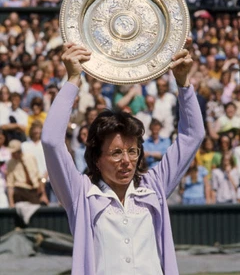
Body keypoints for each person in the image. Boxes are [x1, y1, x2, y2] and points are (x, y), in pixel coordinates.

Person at [41, 40, 205, 275]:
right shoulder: (80, 194)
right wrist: (73, 80)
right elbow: (50, 140)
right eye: (116, 152)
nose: (127, 160)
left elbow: (193, 135)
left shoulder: (153, 187)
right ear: (96, 158)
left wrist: (183, 83)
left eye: (132, 151)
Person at [6, 139, 48, 207]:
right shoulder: (10, 163)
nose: (12, 155)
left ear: (19, 151)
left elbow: (38, 176)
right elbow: (10, 184)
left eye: (14, 152)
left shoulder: (30, 157)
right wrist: (11, 203)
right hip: (20, 190)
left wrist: (43, 194)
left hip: (34, 191)